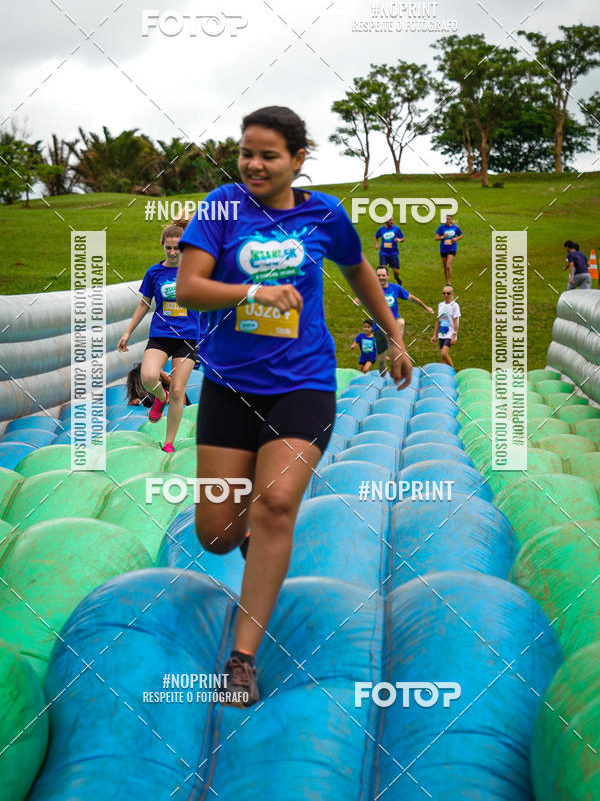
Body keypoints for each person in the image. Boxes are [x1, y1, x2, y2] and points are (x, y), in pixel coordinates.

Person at [176, 105, 412, 707]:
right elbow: (189, 288)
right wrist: (254, 290)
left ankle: (241, 659)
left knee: (276, 504)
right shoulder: (221, 208)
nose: (254, 165)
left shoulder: (325, 214)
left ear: (298, 159)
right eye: (246, 153)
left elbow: (359, 271)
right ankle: (254, 547)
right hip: (230, 384)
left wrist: (393, 335)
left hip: (303, 383)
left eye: (269, 155)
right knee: (216, 534)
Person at [117, 221, 199, 452]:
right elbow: (144, 304)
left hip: (187, 338)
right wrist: (128, 331)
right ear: (162, 246)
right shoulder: (154, 273)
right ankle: (160, 398)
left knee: (178, 391)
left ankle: (169, 442)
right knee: (148, 377)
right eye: (168, 248)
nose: (172, 252)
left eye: (177, 248)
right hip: (161, 335)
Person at [355, 266, 433, 373]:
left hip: (393, 323)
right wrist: (357, 300)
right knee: (382, 360)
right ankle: (384, 376)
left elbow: (412, 298)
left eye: (383, 275)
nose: (381, 277)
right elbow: (359, 299)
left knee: (400, 325)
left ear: (388, 276)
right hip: (378, 327)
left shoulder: (394, 288)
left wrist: (426, 307)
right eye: (378, 275)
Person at [125, 363, 191, 408]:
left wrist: (169, 381)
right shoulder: (141, 394)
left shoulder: (167, 384)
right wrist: (132, 403)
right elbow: (131, 407)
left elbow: (183, 407)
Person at [431, 285, 460, 368]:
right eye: (444, 293)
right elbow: (438, 321)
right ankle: (444, 373)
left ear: (452, 294)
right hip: (442, 333)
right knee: (443, 359)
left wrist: (454, 335)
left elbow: (456, 321)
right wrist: (434, 335)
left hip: (450, 334)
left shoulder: (454, 305)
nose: (446, 295)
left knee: (444, 353)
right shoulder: (440, 305)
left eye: (448, 293)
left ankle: (453, 371)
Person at [375, 217, 404, 283]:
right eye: (390, 220)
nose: (392, 222)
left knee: (396, 271)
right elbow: (376, 237)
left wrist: (399, 240)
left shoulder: (396, 229)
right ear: (386, 221)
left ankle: (396, 277)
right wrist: (376, 244)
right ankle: (383, 283)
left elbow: (403, 238)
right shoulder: (381, 229)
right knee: (383, 269)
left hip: (393, 253)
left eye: (392, 220)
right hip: (383, 253)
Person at [435, 214, 462, 283]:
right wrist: (442, 237)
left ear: (451, 220)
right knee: (445, 267)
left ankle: (449, 282)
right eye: (446, 219)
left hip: (452, 248)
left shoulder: (455, 227)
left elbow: (460, 235)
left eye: (449, 219)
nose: (447, 221)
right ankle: (447, 281)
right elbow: (436, 238)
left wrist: (456, 239)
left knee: (448, 266)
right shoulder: (441, 228)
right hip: (443, 249)